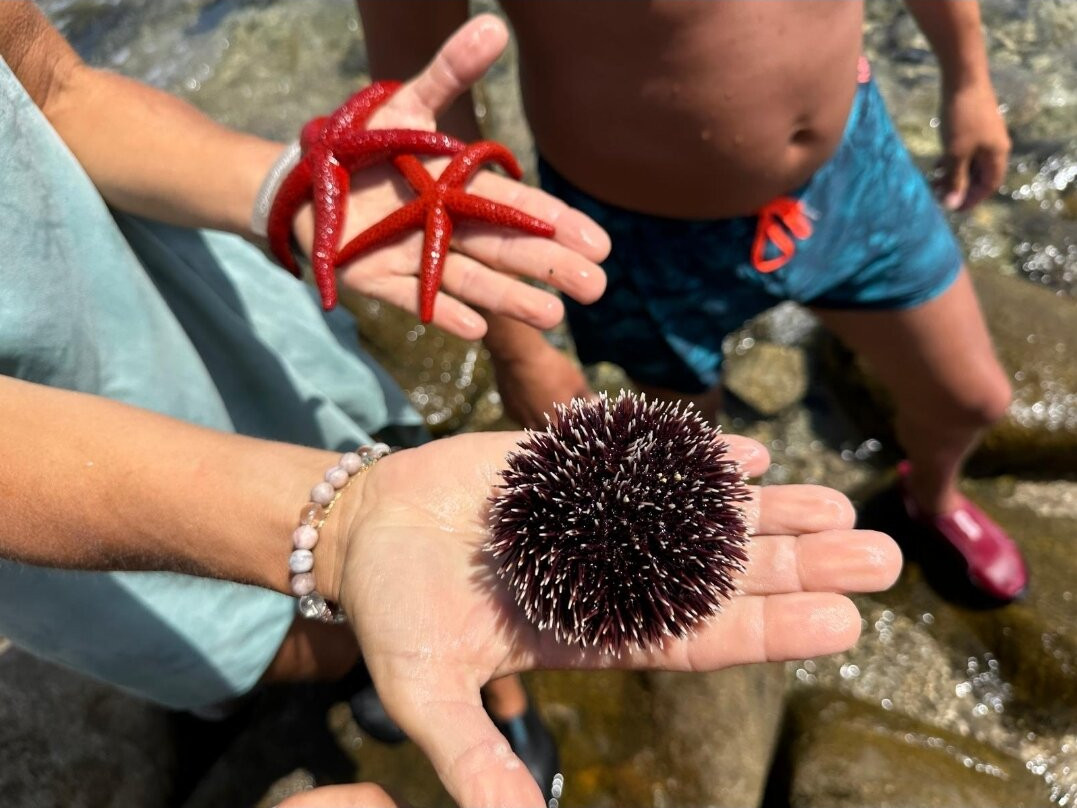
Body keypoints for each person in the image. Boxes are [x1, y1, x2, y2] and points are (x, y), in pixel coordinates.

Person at [0, 6, 902, 806]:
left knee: (367, 448)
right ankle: (370, 664)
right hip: (43, 509)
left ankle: (476, 680)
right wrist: (342, 528)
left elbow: (48, 82)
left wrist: (284, 190)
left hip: (179, 301)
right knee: (266, 637)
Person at [357, 0, 1026, 604]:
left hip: (851, 169)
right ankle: (725, 556)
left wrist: (967, 76)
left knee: (971, 398)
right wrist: (516, 348)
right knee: (690, 455)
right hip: (635, 236)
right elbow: (426, 114)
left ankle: (928, 496)